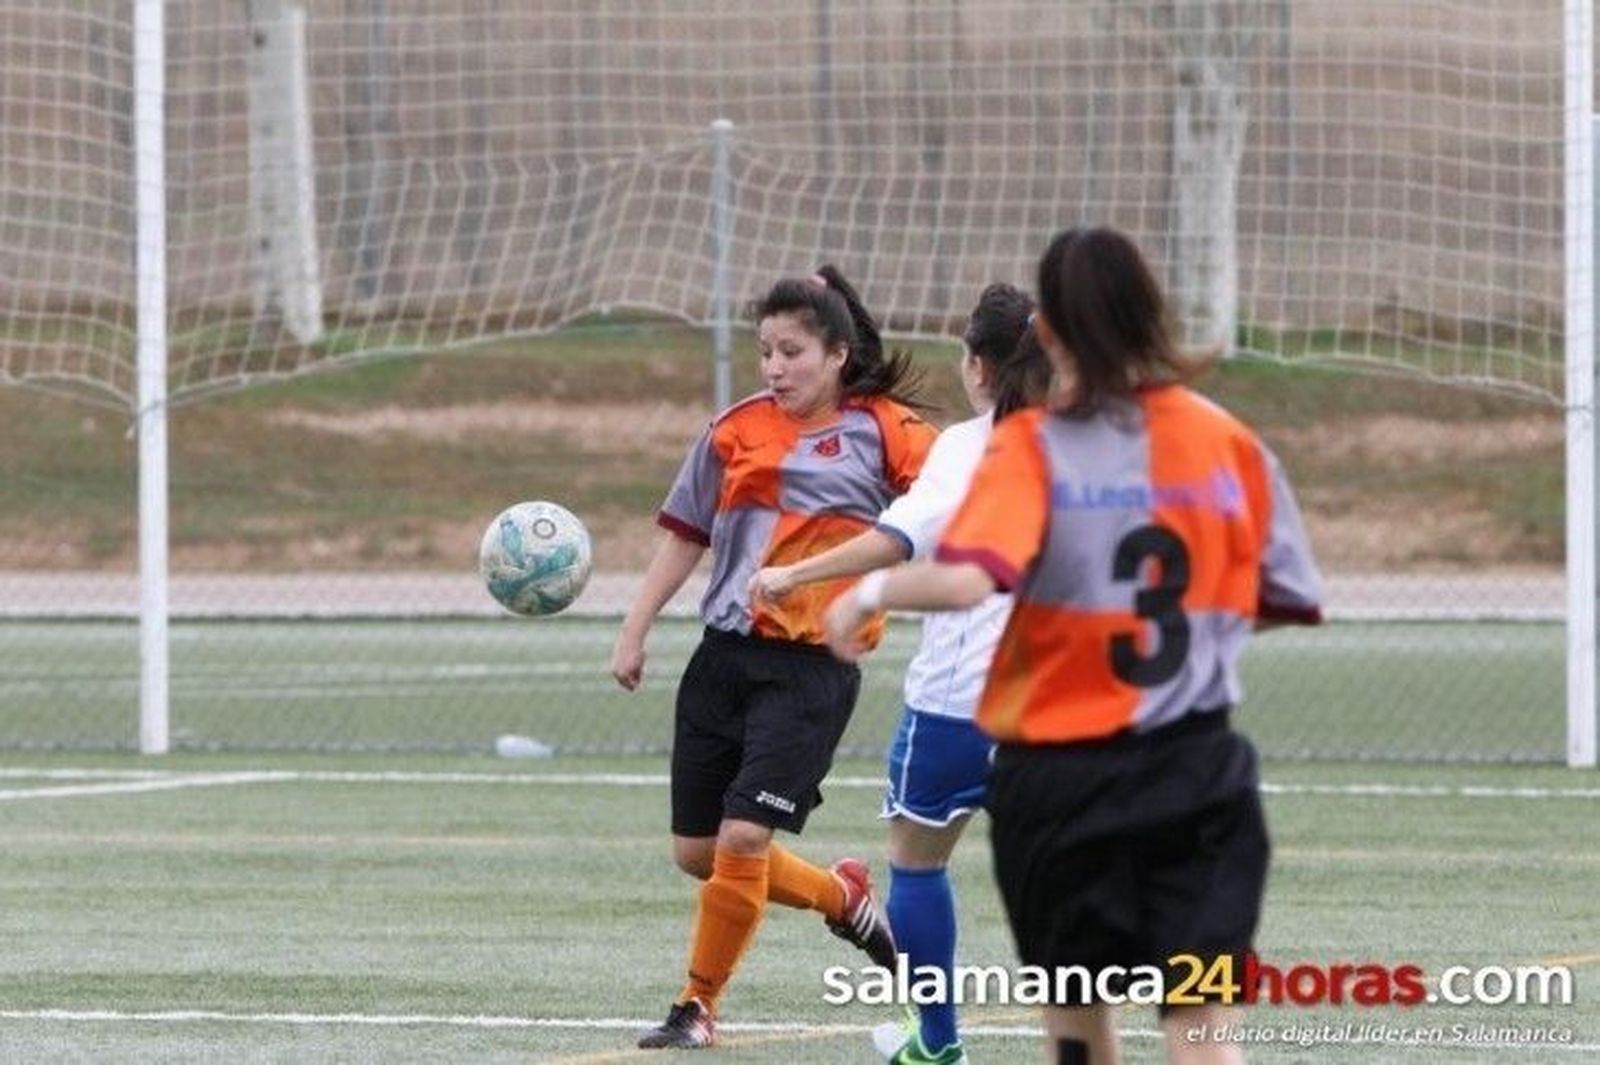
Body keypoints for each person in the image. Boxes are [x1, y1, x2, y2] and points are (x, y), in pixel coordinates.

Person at [823, 227, 1324, 1065]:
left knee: (1081, 1028)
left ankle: (941, 1037)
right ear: (1154, 314)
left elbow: (962, 580)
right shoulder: (1224, 437)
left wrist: (863, 594)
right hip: (1197, 776)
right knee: (1201, 1030)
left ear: (1049, 334)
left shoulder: (1030, 445)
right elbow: (1286, 599)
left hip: (1064, 784)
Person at [611, 264, 939, 1051]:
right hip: (721, 659)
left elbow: (944, 510)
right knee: (700, 853)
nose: (774, 368)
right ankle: (842, 896)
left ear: (835, 353)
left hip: (810, 670)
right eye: (765, 351)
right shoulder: (734, 429)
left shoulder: (890, 431)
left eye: (791, 351)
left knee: (744, 841)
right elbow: (686, 530)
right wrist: (635, 625)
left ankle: (696, 1005)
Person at [748, 282, 1052, 1065]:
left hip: (962, 700)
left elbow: (896, 539)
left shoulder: (969, 447)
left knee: (917, 862)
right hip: (1068, 701)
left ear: (979, 367)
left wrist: (793, 576)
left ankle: (938, 1041)